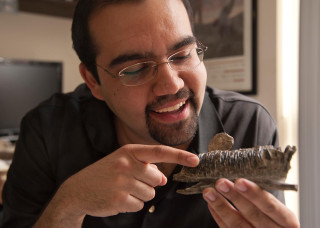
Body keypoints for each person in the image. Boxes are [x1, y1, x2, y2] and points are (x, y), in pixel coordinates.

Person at [1, 0, 299, 227]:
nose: (171, 84)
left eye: (183, 54)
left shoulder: (248, 124)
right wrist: (69, 203)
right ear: (93, 81)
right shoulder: (47, 130)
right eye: (135, 69)